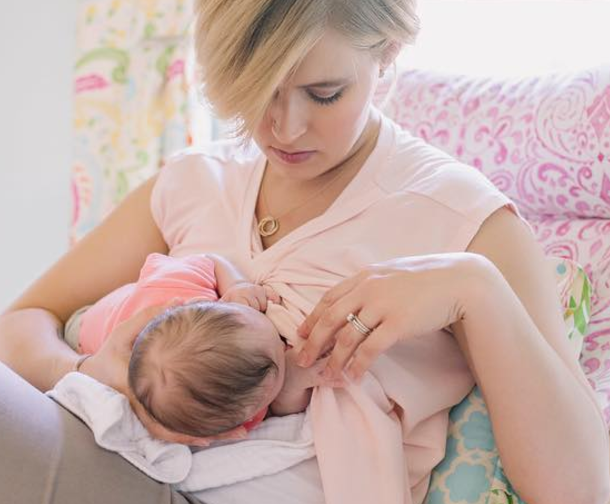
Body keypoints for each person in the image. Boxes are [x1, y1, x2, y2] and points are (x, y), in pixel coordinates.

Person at [0, 0, 608, 503]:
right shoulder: (195, 181)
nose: (285, 129)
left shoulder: (465, 220)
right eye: (258, 91)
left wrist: (474, 289)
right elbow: (21, 324)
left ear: (386, 53)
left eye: (323, 94)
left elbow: (582, 489)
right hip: (118, 459)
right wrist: (87, 373)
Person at [63, 251, 325, 445]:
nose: (283, 345)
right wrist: (289, 387)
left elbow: (211, 260)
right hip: (83, 334)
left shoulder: (181, 283)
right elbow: (278, 409)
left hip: (96, 329)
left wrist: (235, 285)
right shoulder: (178, 285)